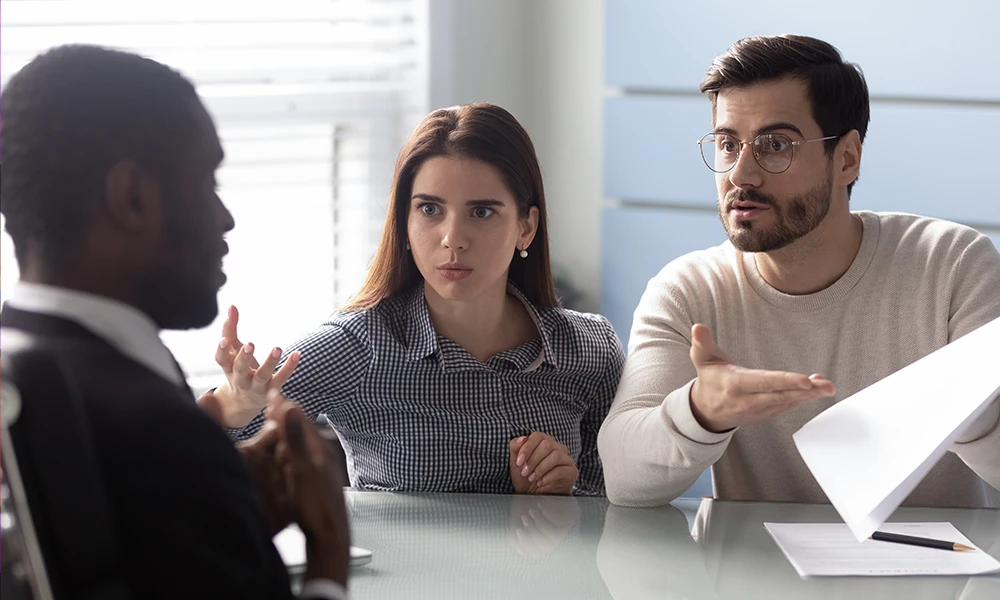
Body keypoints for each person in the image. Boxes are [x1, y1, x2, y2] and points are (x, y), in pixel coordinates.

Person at [0, 45, 351, 599]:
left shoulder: (27, 364)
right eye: (207, 181)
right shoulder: (159, 432)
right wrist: (328, 544)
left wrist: (223, 499)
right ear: (133, 197)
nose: (226, 218)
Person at [598, 34, 1000, 507]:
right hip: (751, 577)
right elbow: (622, 479)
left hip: (934, 574)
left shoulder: (951, 267)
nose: (741, 174)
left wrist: (966, 406)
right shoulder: (688, 291)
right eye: (728, 144)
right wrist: (700, 412)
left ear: (846, 158)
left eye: (775, 145)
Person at [203, 103, 625, 496]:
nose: (452, 239)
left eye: (481, 212)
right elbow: (191, 450)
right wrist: (237, 408)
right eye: (429, 210)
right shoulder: (358, 344)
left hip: (545, 577)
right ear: (403, 222)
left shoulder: (590, 350)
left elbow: (616, 514)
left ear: (525, 228)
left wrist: (555, 499)